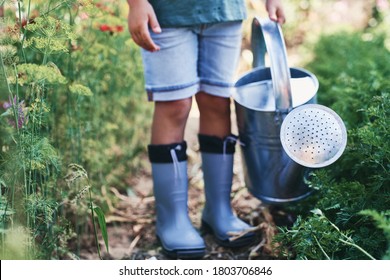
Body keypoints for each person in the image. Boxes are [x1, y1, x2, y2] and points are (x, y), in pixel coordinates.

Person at [126, 0, 285, 259]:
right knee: (174, 104)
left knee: (217, 101)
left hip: (224, 10)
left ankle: (219, 210)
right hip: (165, 13)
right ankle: (172, 219)